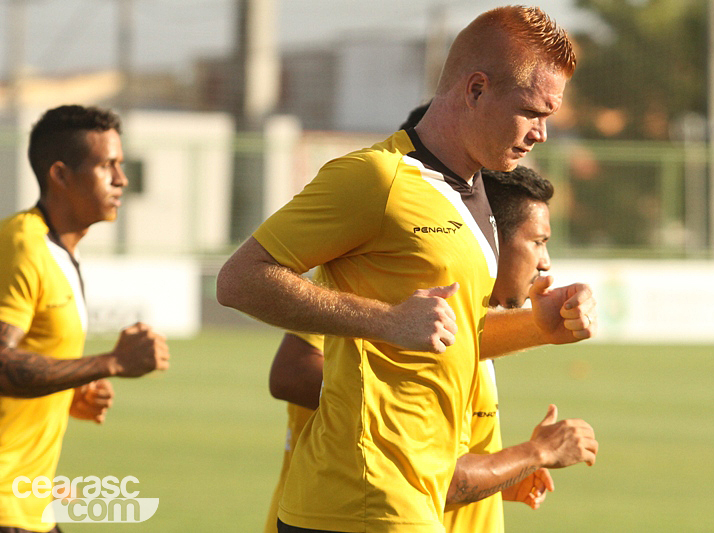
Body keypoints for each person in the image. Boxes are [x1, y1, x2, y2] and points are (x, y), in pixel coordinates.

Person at [217, 6, 597, 532]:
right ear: (476, 90)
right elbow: (238, 280)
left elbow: (451, 335)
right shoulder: (378, 177)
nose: (542, 133)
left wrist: (539, 325)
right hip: (363, 500)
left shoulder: (473, 193)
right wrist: (385, 320)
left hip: (415, 497)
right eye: (532, 112)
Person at [264, 164, 582, 533]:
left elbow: (445, 471)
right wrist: (535, 453)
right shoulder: (381, 286)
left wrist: (504, 474)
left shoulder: (463, 327)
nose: (545, 262)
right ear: (489, 235)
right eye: (538, 241)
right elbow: (290, 371)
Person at [0, 105, 171, 533]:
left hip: (31, 504)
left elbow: (27, 360)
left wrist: (71, 388)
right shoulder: (23, 246)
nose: (121, 179)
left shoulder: (60, 251)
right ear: (60, 175)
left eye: (121, 165)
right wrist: (109, 362)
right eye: (106, 165)